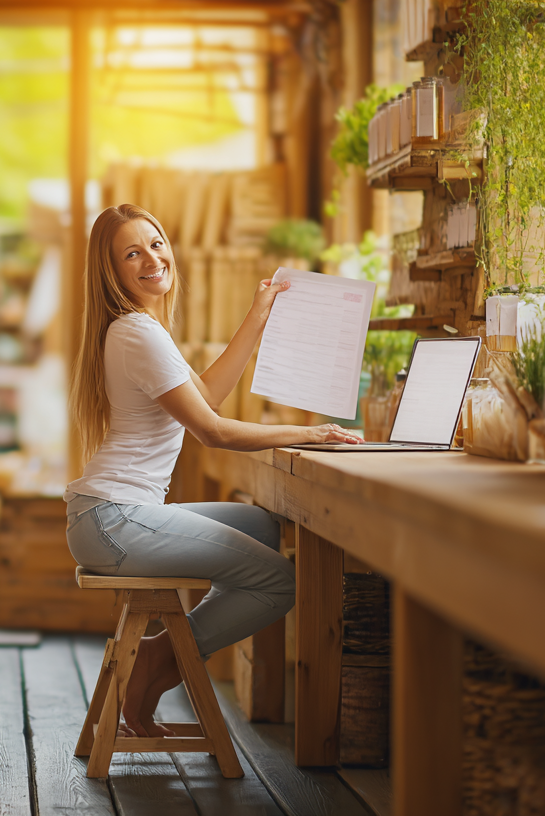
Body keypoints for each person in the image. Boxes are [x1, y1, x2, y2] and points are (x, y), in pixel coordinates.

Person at [65, 203, 361, 738]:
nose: (152, 258)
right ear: (112, 270)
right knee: (279, 582)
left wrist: (259, 314)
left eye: (156, 243)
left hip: (107, 518)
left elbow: (209, 397)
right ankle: (160, 661)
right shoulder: (137, 333)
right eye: (132, 252)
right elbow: (215, 432)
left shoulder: (138, 329)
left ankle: (162, 654)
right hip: (113, 520)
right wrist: (312, 432)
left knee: (264, 529)